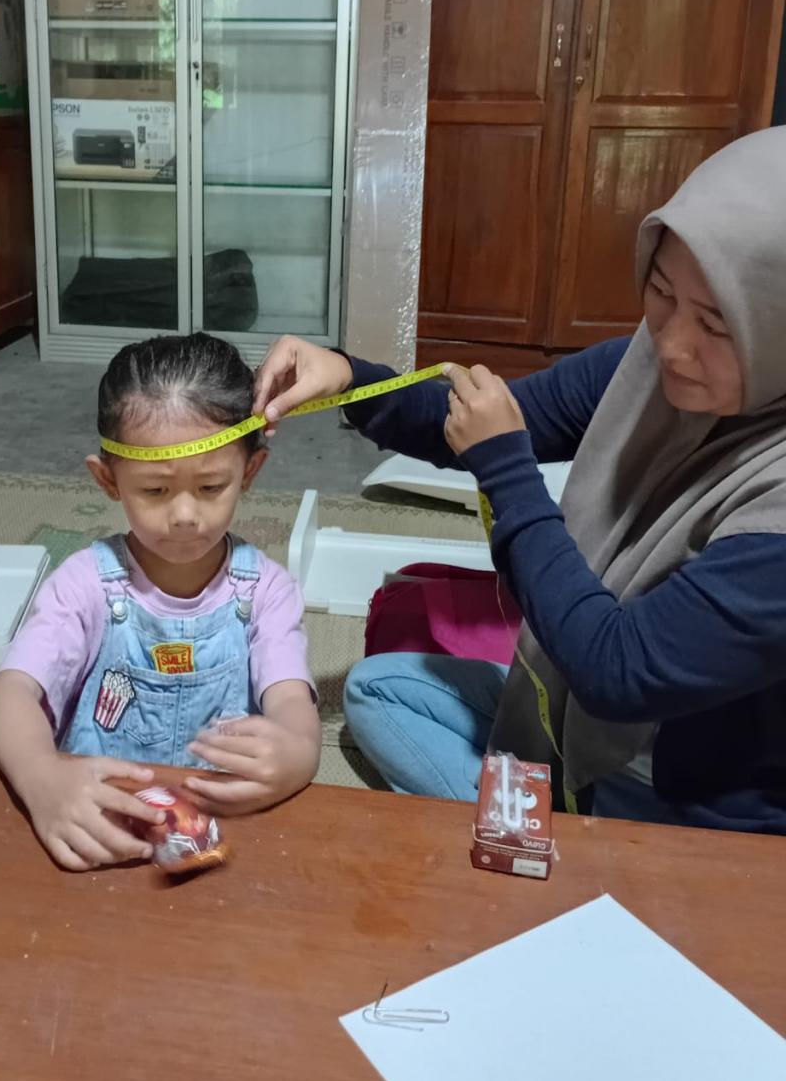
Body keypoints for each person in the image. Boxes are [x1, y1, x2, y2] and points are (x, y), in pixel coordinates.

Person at [253, 127, 786, 835]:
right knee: (378, 687)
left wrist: (507, 473)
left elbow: (617, 671)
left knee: (516, 825)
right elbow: (480, 419)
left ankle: (551, 844)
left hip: (681, 799)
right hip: (574, 707)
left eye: (718, 325)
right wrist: (350, 378)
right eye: (660, 291)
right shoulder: (643, 365)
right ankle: (528, 810)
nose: (672, 344)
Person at [0, 332, 320, 870]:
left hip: (225, 829)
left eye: (211, 487)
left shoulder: (267, 591)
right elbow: (10, 694)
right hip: (96, 821)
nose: (184, 516)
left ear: (249, 472)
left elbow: (292, 704)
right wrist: (41, 776)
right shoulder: (85, 584)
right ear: (108, 480)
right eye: (155, 491)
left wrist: (299, 751)